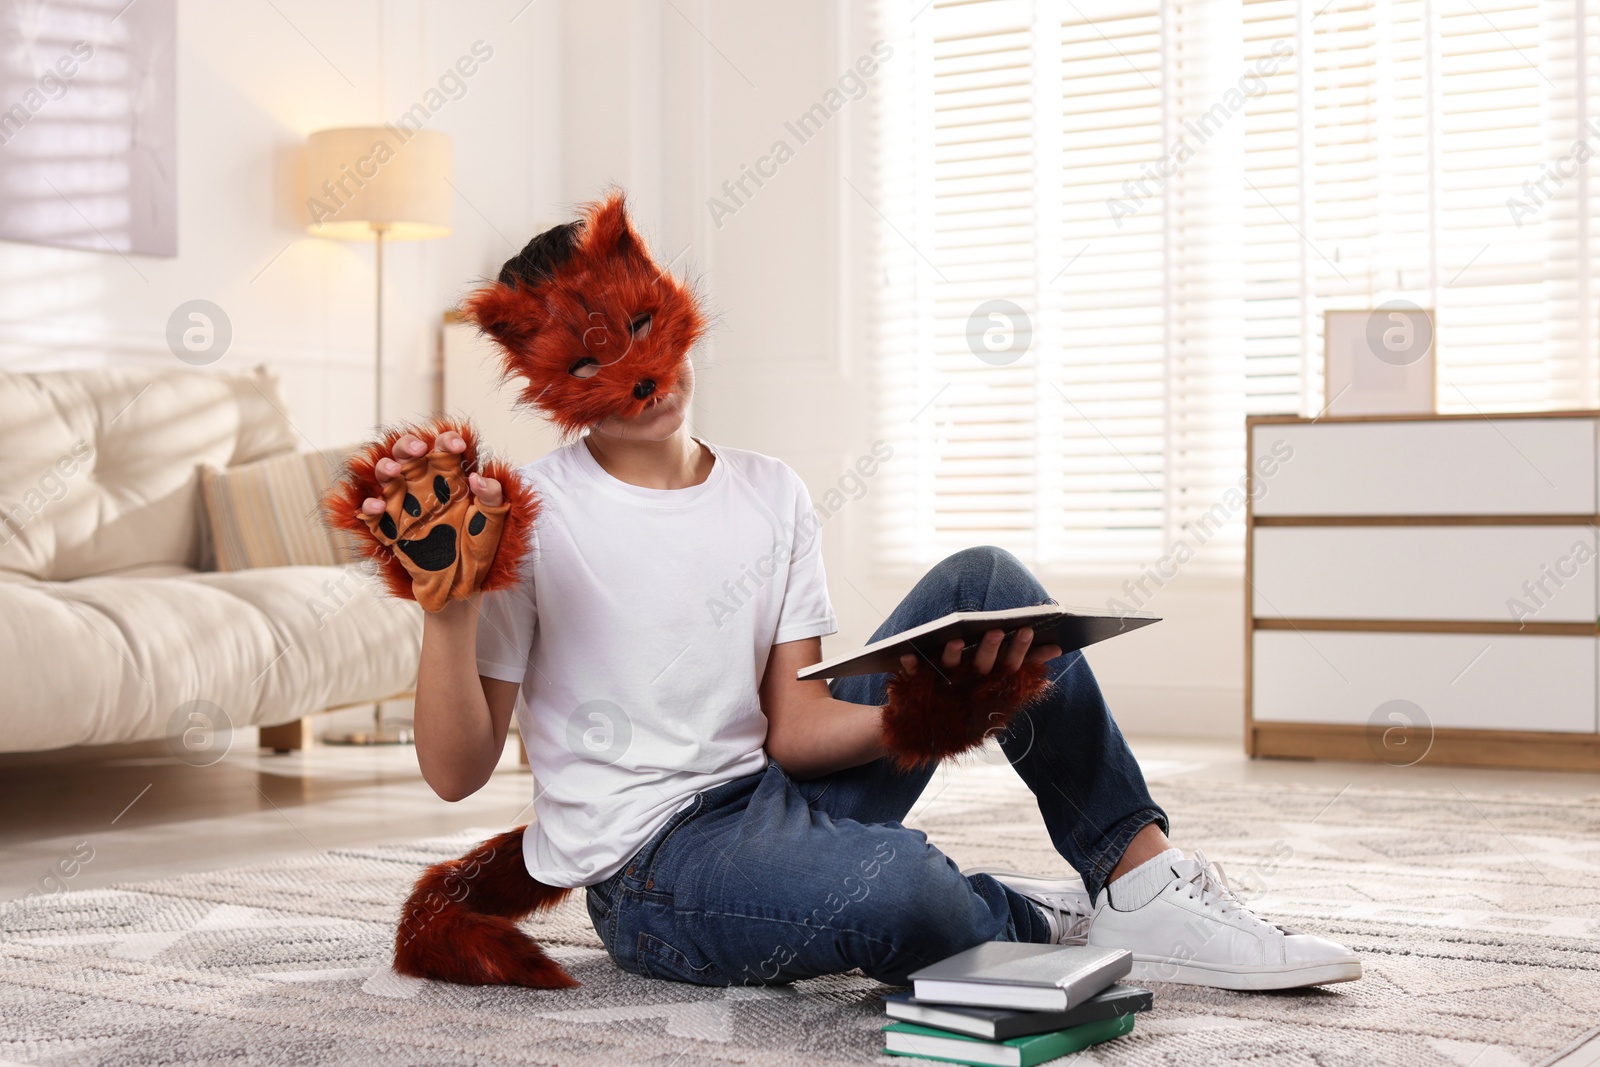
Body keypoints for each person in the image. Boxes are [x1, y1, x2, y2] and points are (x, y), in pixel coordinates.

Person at [338, 193, 1361, 992]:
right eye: (593, 359)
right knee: (903, 887)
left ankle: (1140, 880)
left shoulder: (768, 491)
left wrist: (944, 705)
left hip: (775, 795)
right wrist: (449, 607)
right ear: (543, 373)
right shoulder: (530, 520)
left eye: (643, 328)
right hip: (659, 870)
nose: (638, 378)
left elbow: (795, 728)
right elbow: (454, 772)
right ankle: (1017, 916)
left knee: (990, 584)